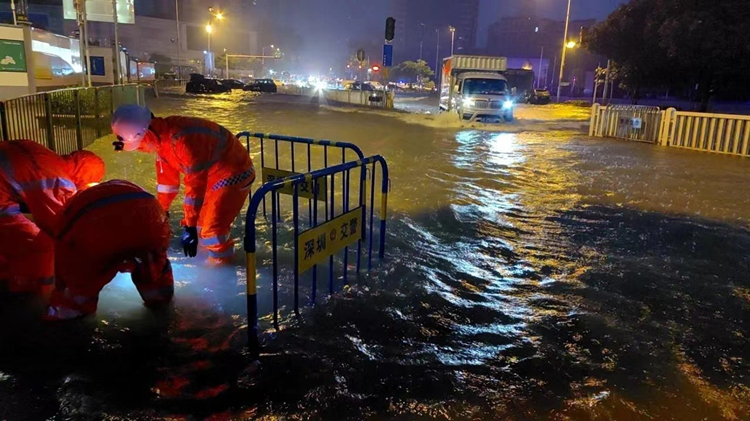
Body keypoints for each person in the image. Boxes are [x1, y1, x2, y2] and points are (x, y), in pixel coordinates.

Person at [110, 105, 255, 265]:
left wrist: (189, 226)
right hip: (212, 174)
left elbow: (195, 187)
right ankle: (208, 262)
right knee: (201, 228)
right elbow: (168, 184)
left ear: (146, 131)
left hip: (234, 173)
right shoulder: (162, 140)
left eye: (139, 142)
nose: (141, 147)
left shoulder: (183, 142)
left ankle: (224, 269)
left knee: (213, 231)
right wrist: (162, 210)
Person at [46, 180, 173, 320]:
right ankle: (162, 312)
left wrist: (61, 286)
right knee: (154, 271)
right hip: (152, 216)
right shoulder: (116, 187)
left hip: (96, 226)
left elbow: (62, 250)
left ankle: (71, 325)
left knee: (76, 293)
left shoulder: (68, 211)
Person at [0, 140, 105, 294]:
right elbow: (59, 226)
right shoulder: (59, 181)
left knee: (13, 238)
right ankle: (34, 295)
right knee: (40, 245)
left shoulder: (47, 156)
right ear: (84, 179)